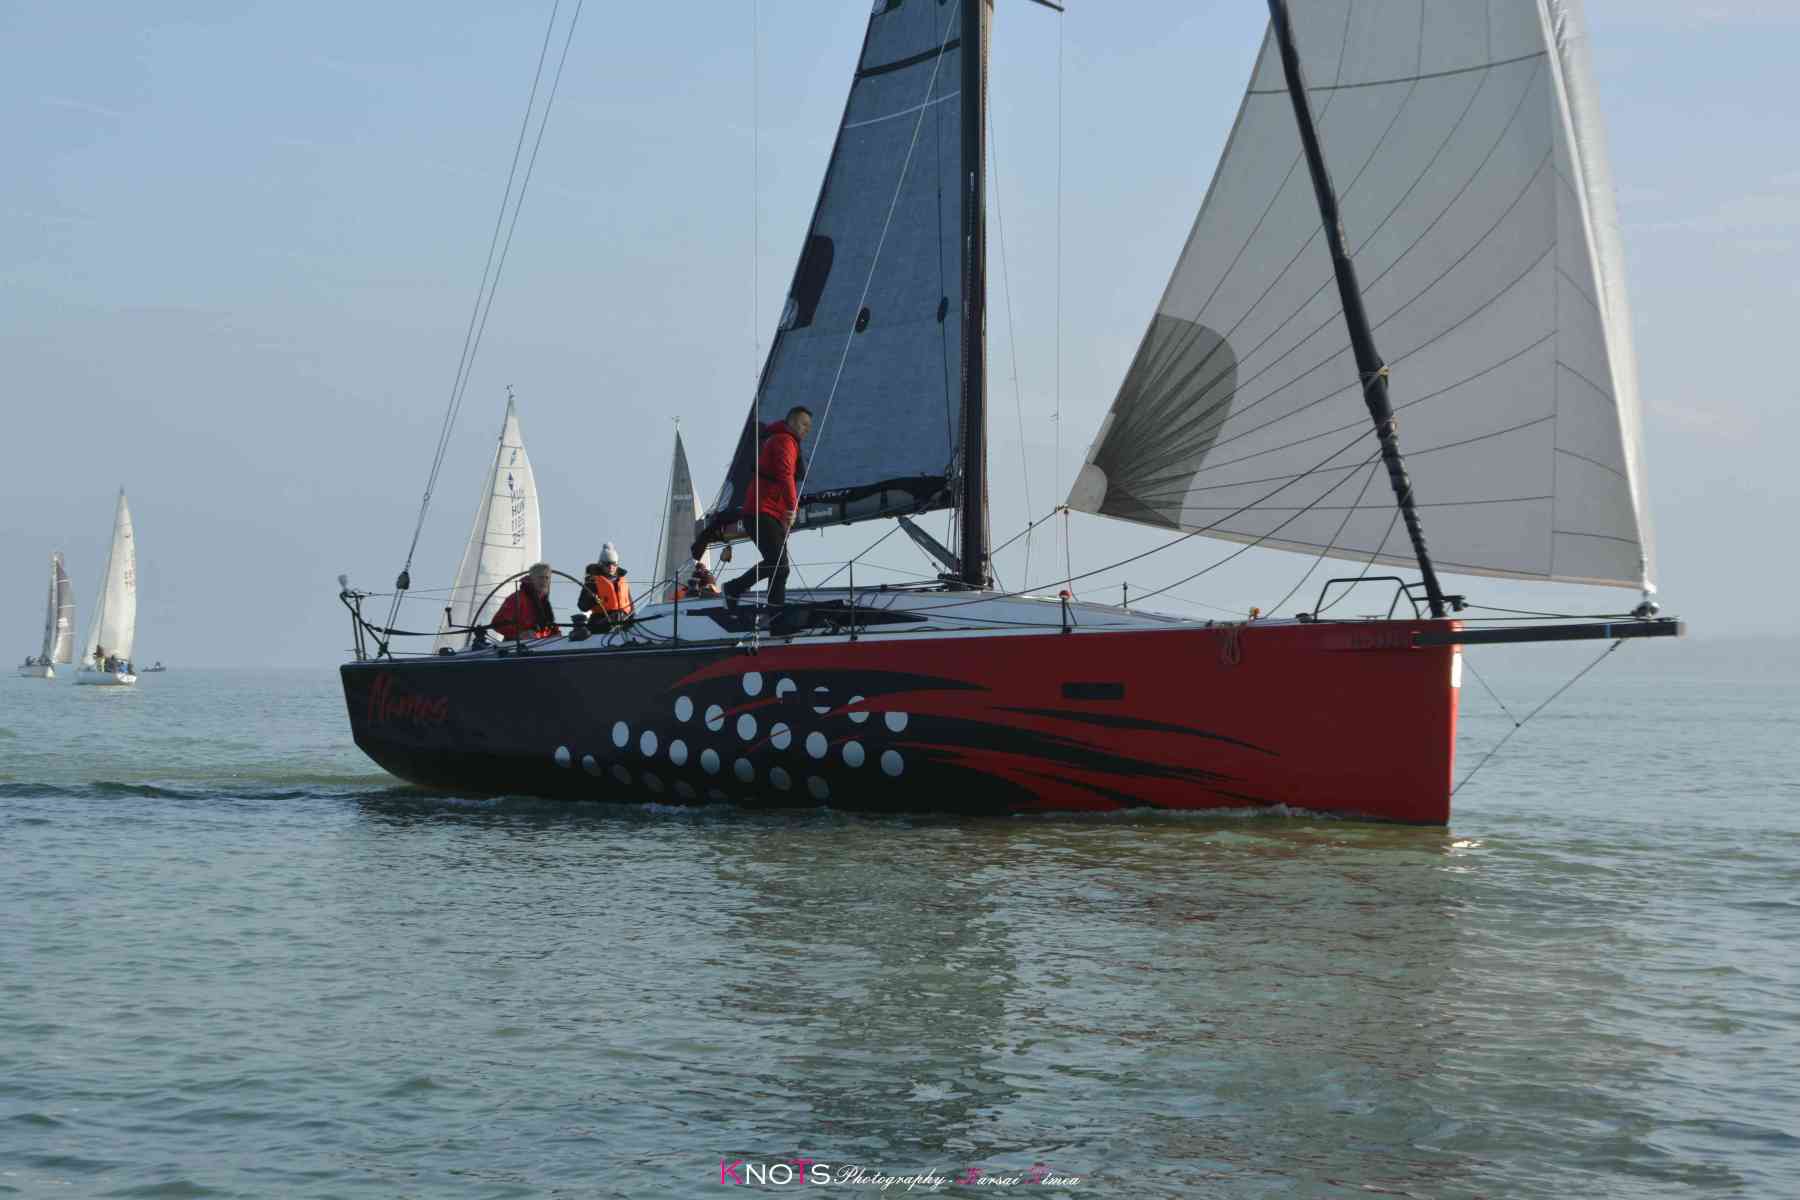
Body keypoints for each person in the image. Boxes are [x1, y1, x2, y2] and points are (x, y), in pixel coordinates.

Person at [723, 405, 812, 610]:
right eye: (803, 424)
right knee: (779, 564)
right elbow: (785, 474)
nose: (807, 429)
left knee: (780, 568)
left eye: (809, 426)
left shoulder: (786, 441)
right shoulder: (784, 441)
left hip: (772, 514)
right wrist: (792, 508)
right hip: (761, 512)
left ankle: (775, 613)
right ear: (791, 422)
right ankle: (733, 588)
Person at [488, 562, 559, 641]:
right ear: (531, 579)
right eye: (540, 577)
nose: (544, 581)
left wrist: (556, 634)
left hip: (539, 645)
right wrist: (520, 634)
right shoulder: (517, 598)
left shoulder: (544, 602)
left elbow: (548, 627)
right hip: (516, 646)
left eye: (547, 578)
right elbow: (497, 623)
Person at [579, 543, 633, 627]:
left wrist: (633, 617)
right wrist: (593, 600)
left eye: (614, 564)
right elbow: (582, 606)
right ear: (601, 564)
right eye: (607, 564)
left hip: (624, 620)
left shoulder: (623, 581)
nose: (611, 567)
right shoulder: (593, 581)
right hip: (602, 620)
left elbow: (631, 606)